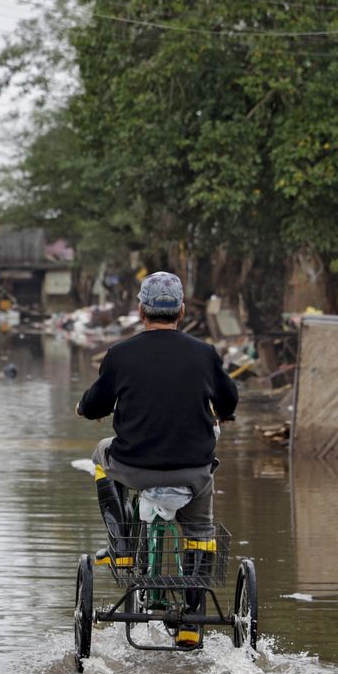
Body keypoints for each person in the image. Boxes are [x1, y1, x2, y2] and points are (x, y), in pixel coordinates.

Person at [76, 271, 238, 646]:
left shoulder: (120, 354)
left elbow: (94, 402)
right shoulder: (205, 354)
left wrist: (84, 408)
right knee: (200, 532)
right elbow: (228, 402)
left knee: (101, 451)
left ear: (140, 311)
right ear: (181, 310)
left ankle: (122, 546)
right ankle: (190, 623)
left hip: (134, 468)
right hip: (192, 471)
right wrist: (220, 411)